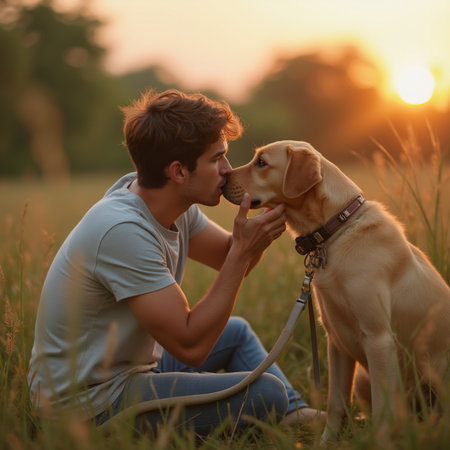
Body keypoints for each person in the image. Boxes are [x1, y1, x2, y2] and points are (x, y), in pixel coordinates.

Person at [28, 89, 323, 435]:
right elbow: (191, 345)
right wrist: (244, 250)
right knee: (266, 394)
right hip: (90, 404)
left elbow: (229, 256)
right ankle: (280, 412)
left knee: (237, 334)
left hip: (131, 369)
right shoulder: (121, 231)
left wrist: (261, 226)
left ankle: (297, 416)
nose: (228, 171)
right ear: (178, 171)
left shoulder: (165, 203)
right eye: (217, 159)